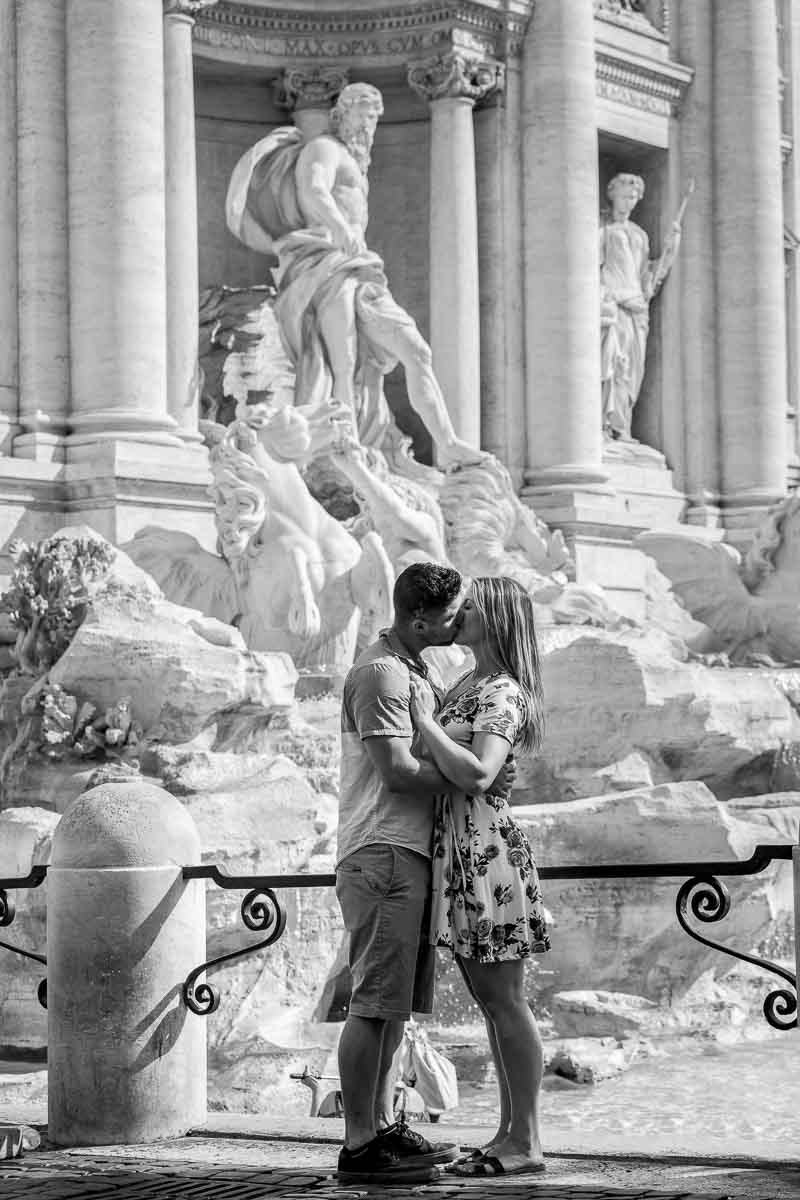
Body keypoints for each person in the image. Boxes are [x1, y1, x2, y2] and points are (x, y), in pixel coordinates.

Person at [334, 562, 514, 1185]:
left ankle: (384, 1127)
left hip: (409, 854)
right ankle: (359, 1141)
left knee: (394, 1008)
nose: (460, 620)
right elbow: (397, 773)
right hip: (382, 849)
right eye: (451, 614)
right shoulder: (382, 673)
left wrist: (476, 774)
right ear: (419, 621)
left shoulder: (416, 669)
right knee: (372, 1004)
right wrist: (473, 782)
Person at [226, 82, 484, 468]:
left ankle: (446, 442)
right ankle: (346, 452)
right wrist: (340, 229)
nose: (367, 129)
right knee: (342, 360)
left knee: (416, 350)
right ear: (342, 114)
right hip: (324, 264)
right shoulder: (324, 148)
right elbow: (313, 189)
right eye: (362, 118)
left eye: (373, 122)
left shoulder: (354, 160)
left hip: (359, 269)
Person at [408, 575, 551, 1179]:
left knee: (507, 1003)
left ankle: (528, 1143)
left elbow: (481, 773)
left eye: (471, 606)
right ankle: (507, 1135)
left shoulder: (502, 691)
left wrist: (424, 721)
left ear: (494, 617)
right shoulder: (468, 682)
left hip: (487, 855)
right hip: (461, 858)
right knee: (492, 1004)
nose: (459, 613)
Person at [599, 172, 681, 440]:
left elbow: (646, 275)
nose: (629, 202)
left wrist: (670, 250)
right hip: (614, 305)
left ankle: (622, 427)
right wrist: (606, 295)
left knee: (632, 371)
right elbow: (592, 267)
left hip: (637, 309)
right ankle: (606, 425)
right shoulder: (602, 229)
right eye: (624, 196)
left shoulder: (640, 234)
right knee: (613, 366)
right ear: (612, 195)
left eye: (634, 198)